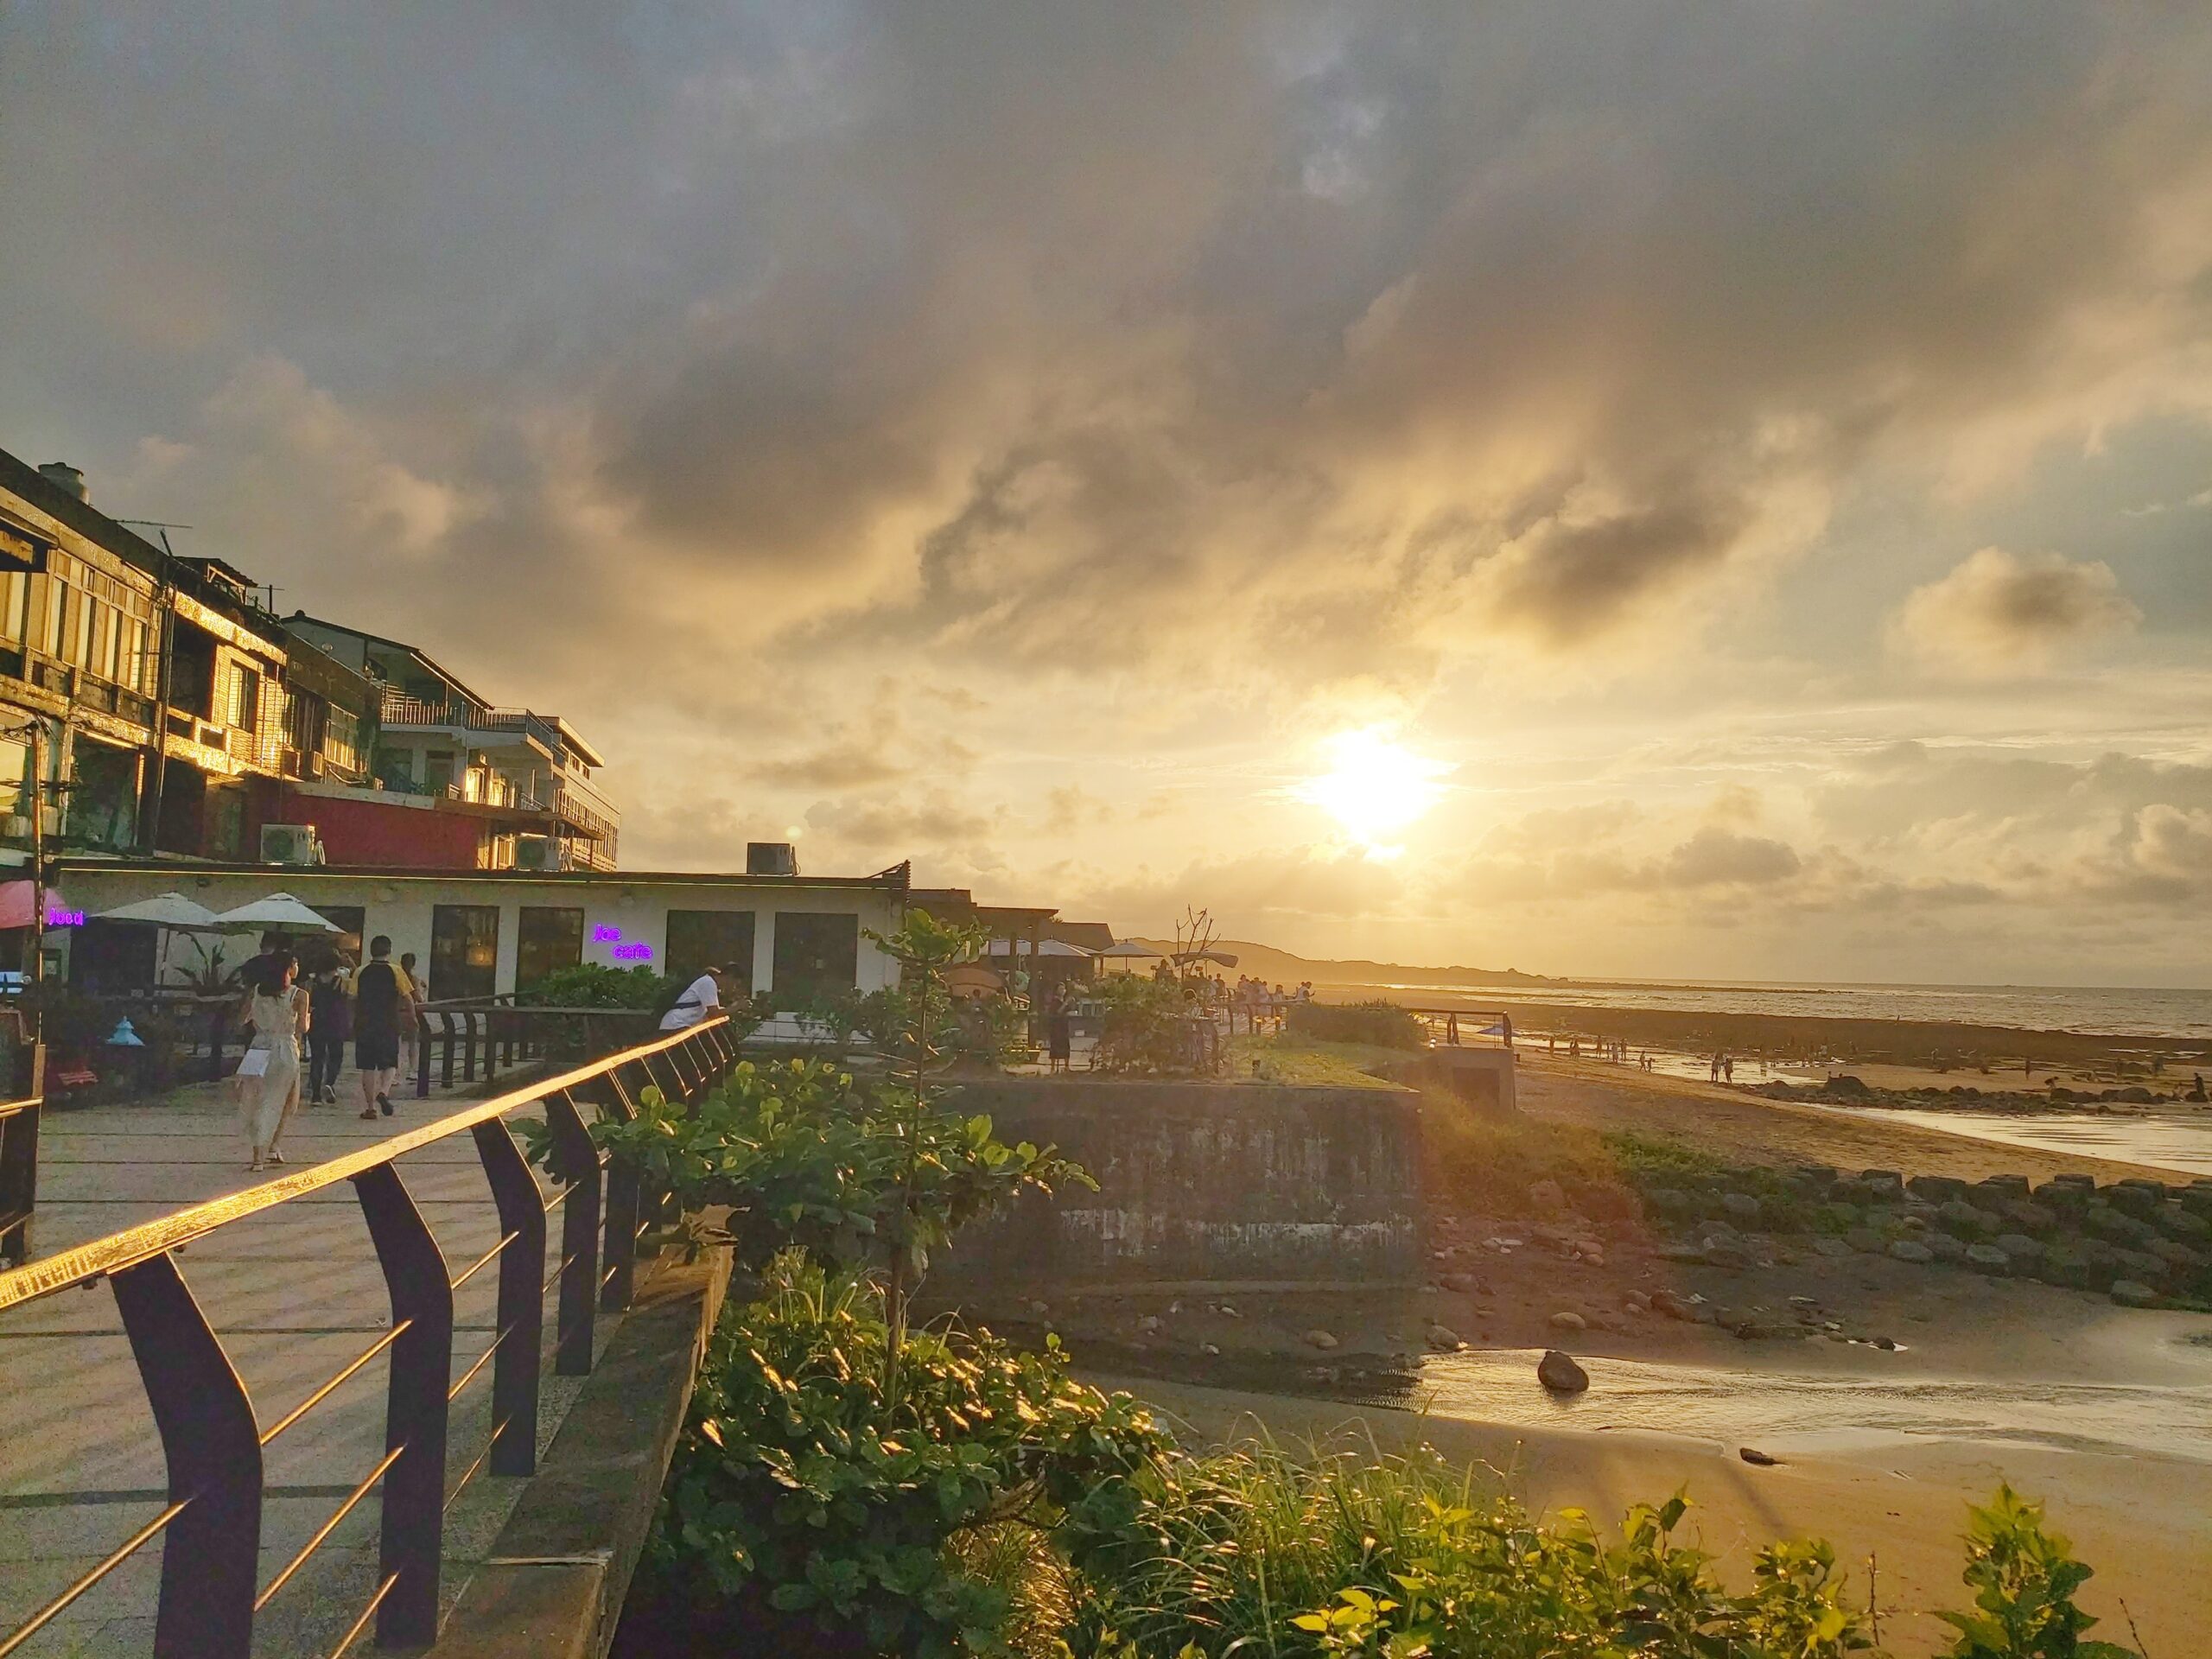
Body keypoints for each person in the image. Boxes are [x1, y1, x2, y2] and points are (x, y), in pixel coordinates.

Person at [238, 951, 308, 1171]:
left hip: (258, 1046)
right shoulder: (299, 994)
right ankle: (264, 1151)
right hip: (284, 1048)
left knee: (257, 1099)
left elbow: (241, 1019)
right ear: (288, 967)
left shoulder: (257, 991)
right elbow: (302, 1028)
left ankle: (268, 1148)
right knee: (281, 1100)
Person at [351, 936, 411, 1119]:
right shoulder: (396, 971)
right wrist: (413, 1016)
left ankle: (370, 1108)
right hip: (389, 1022)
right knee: (391, 1062)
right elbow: (408, 996)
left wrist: (353, 1020)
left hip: (365, 1022)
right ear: (389, 950)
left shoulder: (361, 971)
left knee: (368, 1067)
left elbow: (351, 997)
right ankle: (383, 1092)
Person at [305, 960, 352, 1105]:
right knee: (336, 1056)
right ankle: (329, 1083)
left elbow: (307, 1000)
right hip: (336, 1022)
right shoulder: (342, 982)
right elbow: (350, 996)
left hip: (316, 1021)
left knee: (317, 1058)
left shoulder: (311, 982)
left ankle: (316, 1095)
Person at [660, 964, 727, 1031]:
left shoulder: (708, 983)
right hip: (676, 1024)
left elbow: (713, 1013)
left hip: (677, 1024)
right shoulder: (708, 982)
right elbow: (714, 1013)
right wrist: (735, 1007)